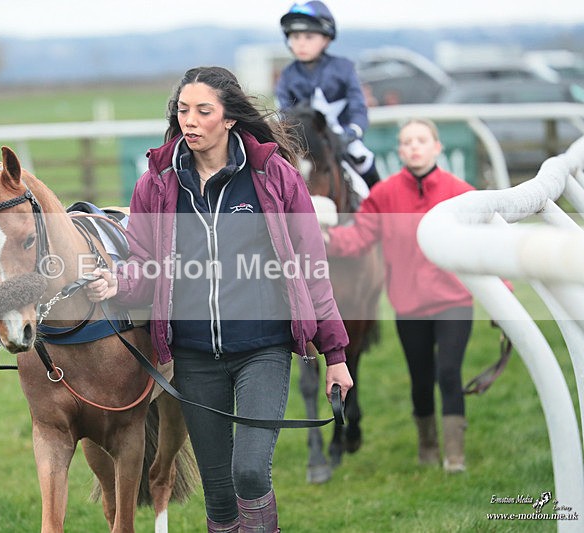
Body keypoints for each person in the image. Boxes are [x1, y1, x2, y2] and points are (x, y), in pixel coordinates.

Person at [85, 66, 353, 532]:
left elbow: (312, 267)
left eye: (203, 111)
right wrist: (117, 284)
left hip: (263, 350)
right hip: (193, 357)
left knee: (249, 470)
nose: (190, 120)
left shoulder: (274, 177)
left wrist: (335, 354)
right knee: (219, 495)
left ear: (229, 119)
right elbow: (146, 265)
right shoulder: (157, 185)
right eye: (182, 110)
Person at [323, 118, 475, 473]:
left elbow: (487, 245)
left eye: (422, 140)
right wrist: (325, 238)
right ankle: (427, 445)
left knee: (449, 373)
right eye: (407, 142)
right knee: (421, 379)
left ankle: (455, 455)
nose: (414, 147)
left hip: (455, 302)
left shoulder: (462, 193)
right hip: (410, 307)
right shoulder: (384, 195)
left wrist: (505, 297)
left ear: (436, 147)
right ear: (400, 151)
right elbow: (359, 237)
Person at [276, 1, 381, 192]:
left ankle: (379, 205)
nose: (300, 43)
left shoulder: (344, 68)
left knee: (364, 160)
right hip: (304, 145)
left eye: (309, 37)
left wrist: (352, 132)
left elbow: (358, 107)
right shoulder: (287, 75)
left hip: (343, 139)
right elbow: (284, 113)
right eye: (295, 36)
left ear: (326, 39)